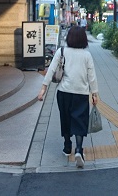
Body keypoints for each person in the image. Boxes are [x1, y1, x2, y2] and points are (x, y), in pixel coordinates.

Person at [38, 26, 99, 168]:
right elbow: (92, 76)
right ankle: (78, 149)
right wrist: (94, 93)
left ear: (69, 38)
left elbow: (51, 70)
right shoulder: (86, 55)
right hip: (81, 93)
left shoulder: (62, 51)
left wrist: (43, 88)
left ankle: (67, 146)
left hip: (64, 92)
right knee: (79, 120)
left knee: (65, 118)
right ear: (83, 39)